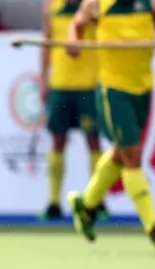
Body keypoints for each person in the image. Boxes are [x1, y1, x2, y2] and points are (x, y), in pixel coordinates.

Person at [66, 0, 155, 246]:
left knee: (121, 152)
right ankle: (154, 227)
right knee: (132, 154)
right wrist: (74, 41)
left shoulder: (151, 3)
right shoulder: (97, 4)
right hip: (113, 89)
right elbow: (76, 25)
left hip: (142, 88)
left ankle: (85, 204)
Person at [40, 0, 108, 220]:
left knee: (94, 141)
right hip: (60, 83)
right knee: (58, 141)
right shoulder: (51, 6)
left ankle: (97, 202)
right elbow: (47, 42)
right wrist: (43, 77)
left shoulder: (94, 5)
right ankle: (53, 202)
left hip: (89, 83)